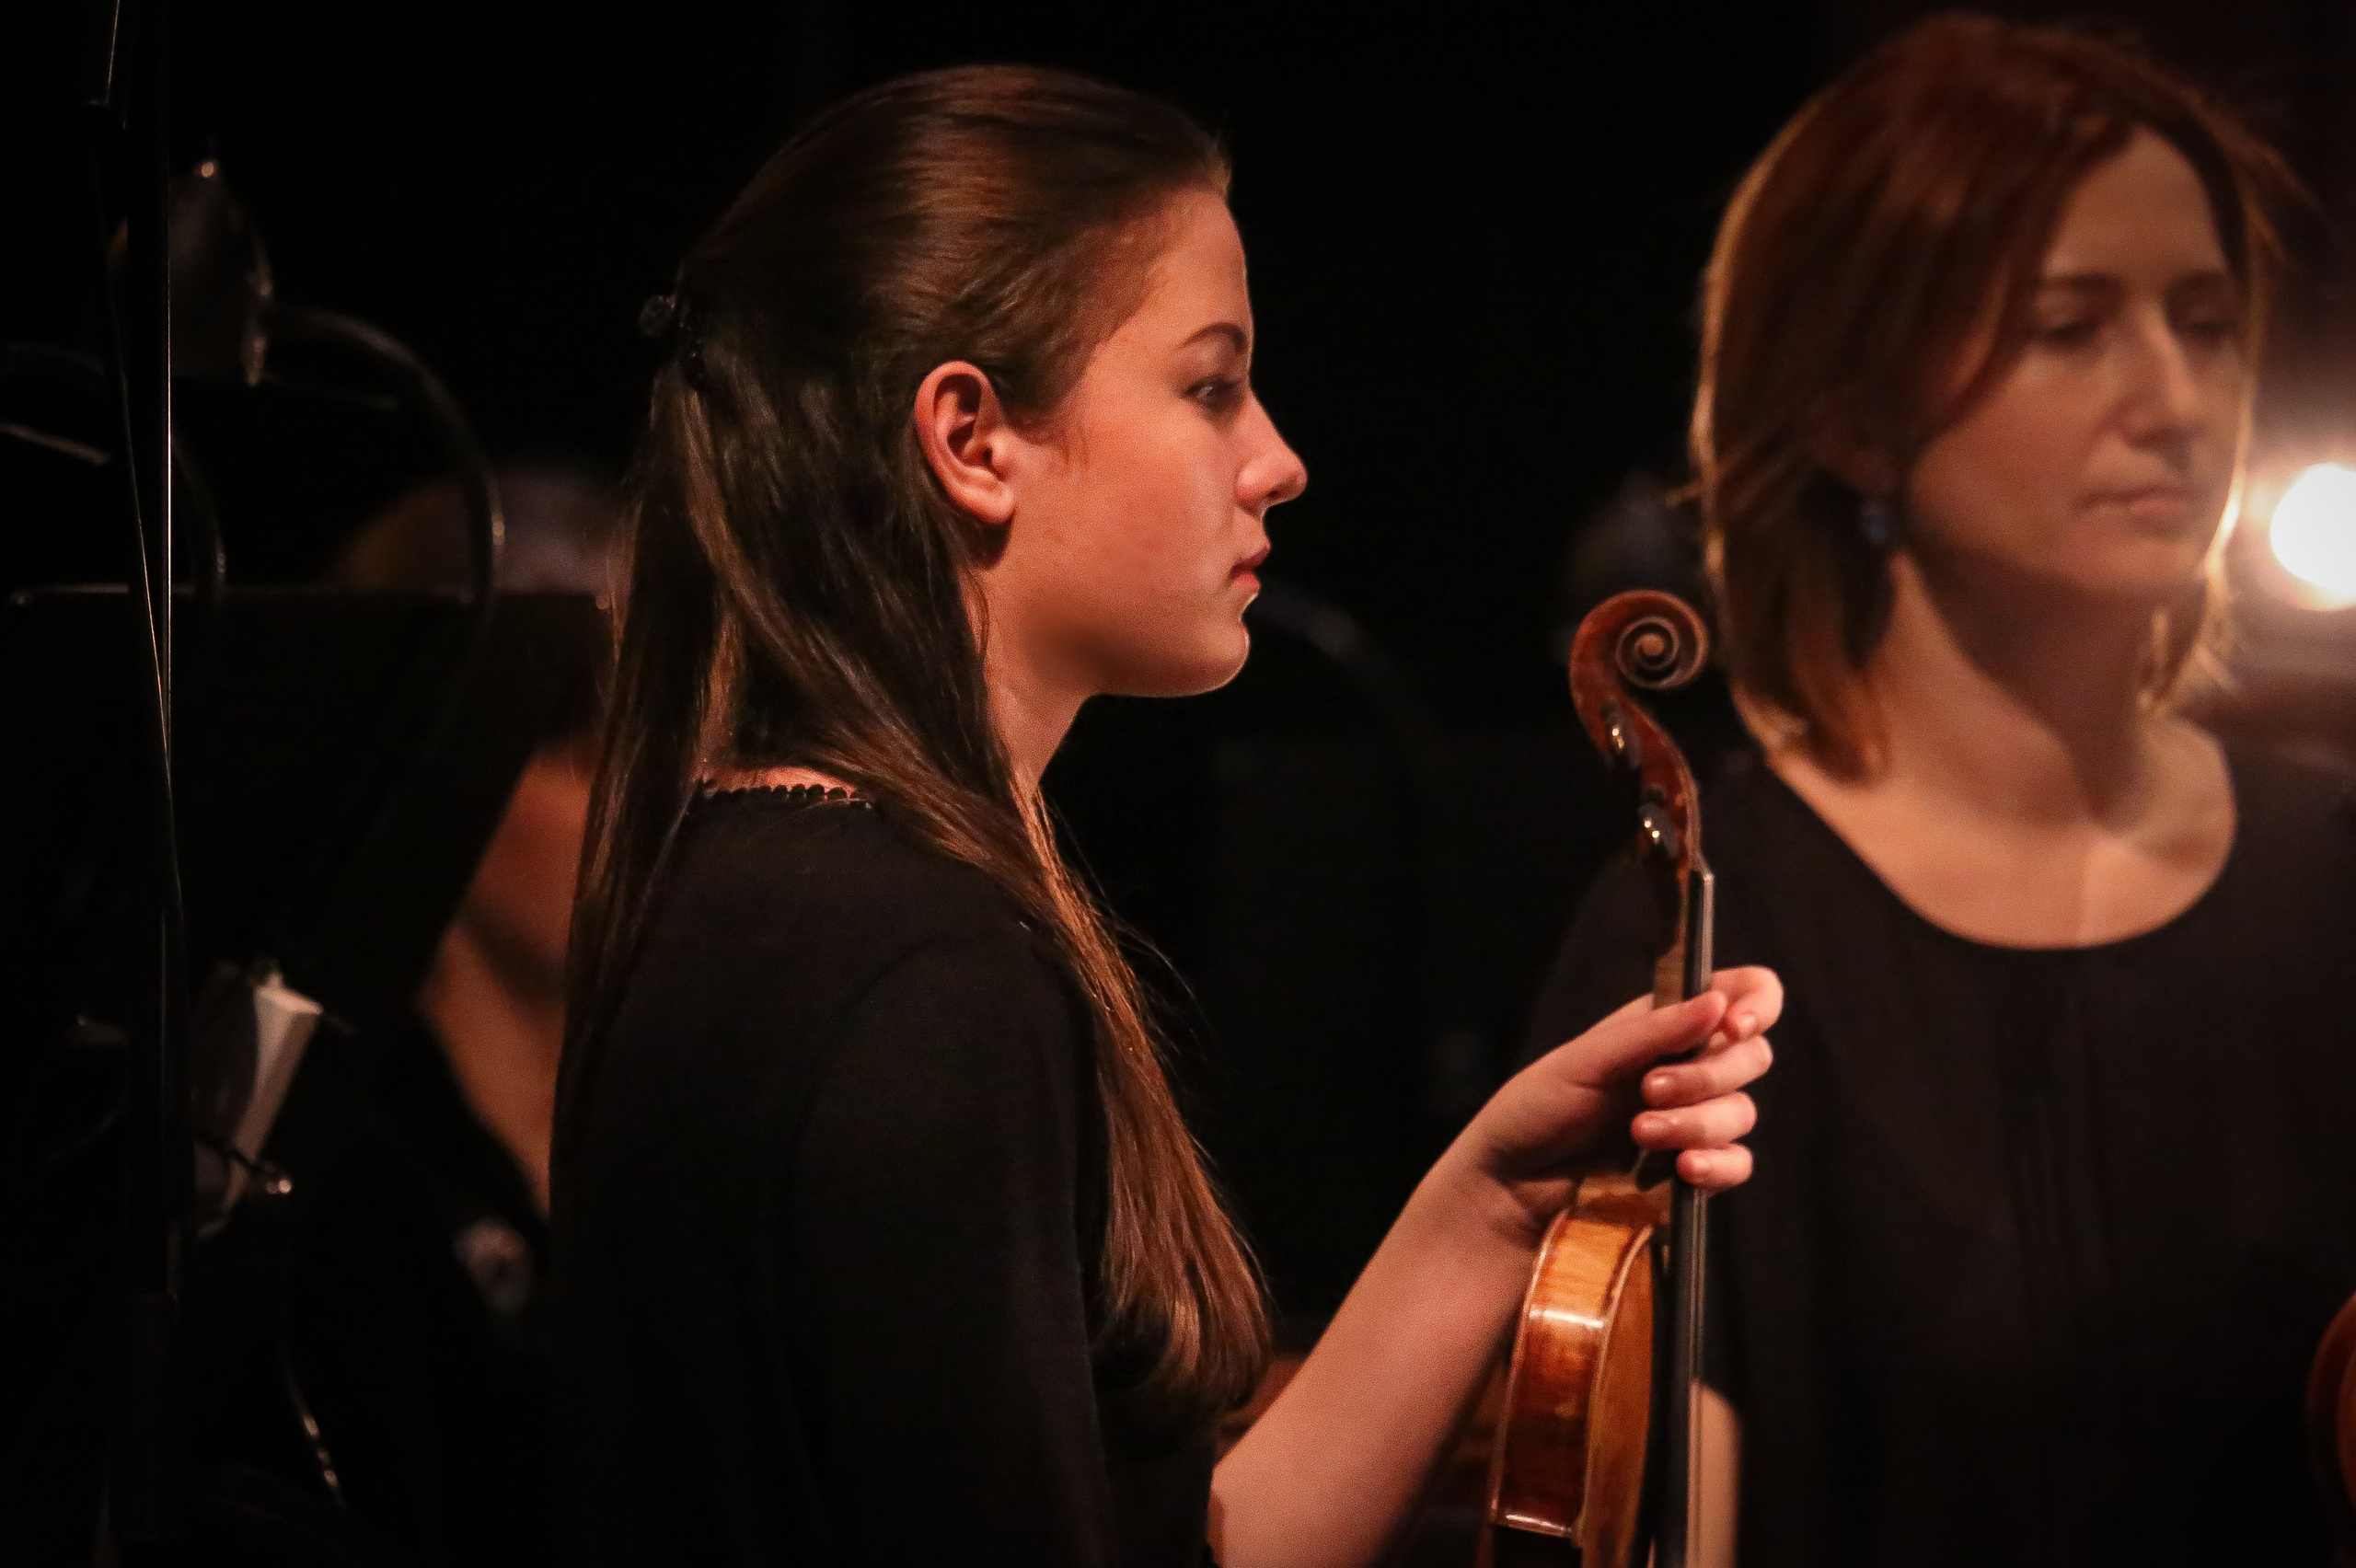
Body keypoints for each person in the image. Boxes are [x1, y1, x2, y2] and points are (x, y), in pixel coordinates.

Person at [549, 66, 1778, 1568]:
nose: (1278, 458)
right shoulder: (927, 975)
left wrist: (1497, 1196)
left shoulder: (760, 877)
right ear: (973, 438)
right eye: (1209, 385)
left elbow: (1177, 1537)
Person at [1526, 17, 2356, 1566]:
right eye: (2068, 325)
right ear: (1851, 413)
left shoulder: (2335, 867)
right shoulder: (1719, 925)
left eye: (2205, 318)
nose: (2176, 398)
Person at [287, 462, 617, 1562]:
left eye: (664, 727)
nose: (640, 787)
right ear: (432, 759)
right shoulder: (333, 1201)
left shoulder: (698, 1138)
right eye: (573, 733)